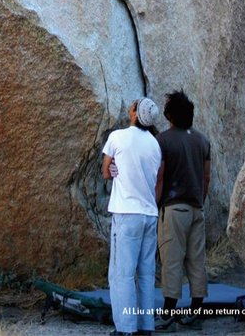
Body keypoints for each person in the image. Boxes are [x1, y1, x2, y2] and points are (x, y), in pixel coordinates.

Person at [102, 98, 163, 336]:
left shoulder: (117, 137)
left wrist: (113, 167)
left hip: (127, 213)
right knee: (146, 274)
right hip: (149, 214)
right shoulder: (155, 145)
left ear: (135, 114)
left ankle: (126, 329)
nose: (129, 108)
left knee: (122, 274)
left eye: (132, 106)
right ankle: (146, 326)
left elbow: (106, 171)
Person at [154, 90, 211, 331]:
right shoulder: (202, 140)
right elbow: (206, 177)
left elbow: (160, 177)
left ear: (170, 115)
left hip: (173, 209)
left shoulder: (163, 140)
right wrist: (200, 200)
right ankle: (196, 309)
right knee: (197, 260)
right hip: (197, 208)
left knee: (172, 260)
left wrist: (155, 204)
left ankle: (168, 313)